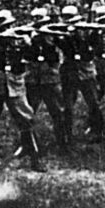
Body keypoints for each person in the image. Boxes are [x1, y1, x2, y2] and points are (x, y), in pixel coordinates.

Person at [0, 10, 46, 172]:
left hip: (15, 83)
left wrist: (28, 42)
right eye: (4, 26)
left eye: (9, 25)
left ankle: (35, 158)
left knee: (26, 119)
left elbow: (32, 55)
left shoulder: (21, 39)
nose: (8, 28)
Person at [54, 5, 104, 143]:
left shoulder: (86, 31)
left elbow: (93, 48)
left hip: (86, 70)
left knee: (93, 102)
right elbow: (62, 46)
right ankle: (67, 135)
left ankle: (97, 131)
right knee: (67, 105)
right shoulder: (61, 34)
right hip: (69, 70)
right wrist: (66, 36)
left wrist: (89, 35)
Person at [24, 8, 69, 154]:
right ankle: (27, 145)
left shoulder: (53, 34)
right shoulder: (27, 34)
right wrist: (29, 41)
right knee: (27, 113)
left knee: (57, 112)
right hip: (33, 78)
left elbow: (65, 48)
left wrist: (50, 38)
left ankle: (63, 144)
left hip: (50, 78)